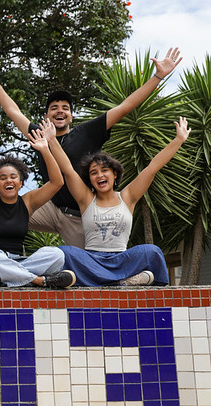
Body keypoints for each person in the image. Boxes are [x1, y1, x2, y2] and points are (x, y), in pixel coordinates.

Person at [0, 48, 182, 247]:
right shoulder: (40, 134)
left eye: (65, 108)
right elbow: (13, 111)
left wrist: (158, 76)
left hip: (79, 215)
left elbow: (125, 106)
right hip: (49, 209)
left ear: (71, 115)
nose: (59, 111)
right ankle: (4, 263)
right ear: (47, 116)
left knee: (90, 265)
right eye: (54, 108)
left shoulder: (87, 132)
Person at [46, 116, 190, 286]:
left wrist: (179, 140)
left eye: (104, 170)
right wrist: (52, 140)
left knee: (152, 251)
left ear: (114, 174)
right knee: (64, 252)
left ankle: (110, 281)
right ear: (90, 180)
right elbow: (68, 170)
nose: (99, 175)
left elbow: (153, 167)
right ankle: (123, 282)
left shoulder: (128, 196)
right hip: (93, 261)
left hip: (122, 260)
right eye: (94, 173)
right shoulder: (86, 199)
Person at [0, 117, 76, 288]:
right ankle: (36, 280)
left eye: (13, 177)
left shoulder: (28, 202)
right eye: (3, 178)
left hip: (17, 261)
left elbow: (57, 182)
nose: (9, 181)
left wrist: (45, 149)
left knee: (56, 255)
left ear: (20, 182)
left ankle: (1, 279)